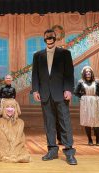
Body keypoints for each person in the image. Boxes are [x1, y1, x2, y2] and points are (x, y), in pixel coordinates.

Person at [31, 29, 77, 165]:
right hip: (45, 94)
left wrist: (68, 89)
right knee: (49, 123)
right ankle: (52, 150)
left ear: (55, 38)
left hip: (61, 94)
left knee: (65, 123)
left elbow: (69, 74)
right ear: (44, 39)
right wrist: (35, 90)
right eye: (47, 37)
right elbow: (35, 75)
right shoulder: (38, 55)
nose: (49, 39)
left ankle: (69, 151)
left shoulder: (65, 54)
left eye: (51, 37)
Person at [0, 98, 30, 163]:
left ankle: (12, 158)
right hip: (3, 149)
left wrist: (14, 152)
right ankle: (8, 157)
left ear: (16, 109)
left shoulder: (20, 122)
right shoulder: (0, 122)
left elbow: (19, 140)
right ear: (3, 108)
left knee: (25, 157)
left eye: (12, 107)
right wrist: (6, 153)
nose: (10, 109)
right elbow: (1, 139)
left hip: (17, 149)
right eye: (7, 107)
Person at [74, 66, 99, 146]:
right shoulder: (81, 82)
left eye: (89, 72)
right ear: (84, 73)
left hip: (95, 102)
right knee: (87, 120)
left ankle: (98, 140)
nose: (88, 73)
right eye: (86, 72)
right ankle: (90, 140)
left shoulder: (96, 82)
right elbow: (75, 92)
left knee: (97, 120)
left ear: (91, 73)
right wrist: (83, 96)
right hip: (85, 103)